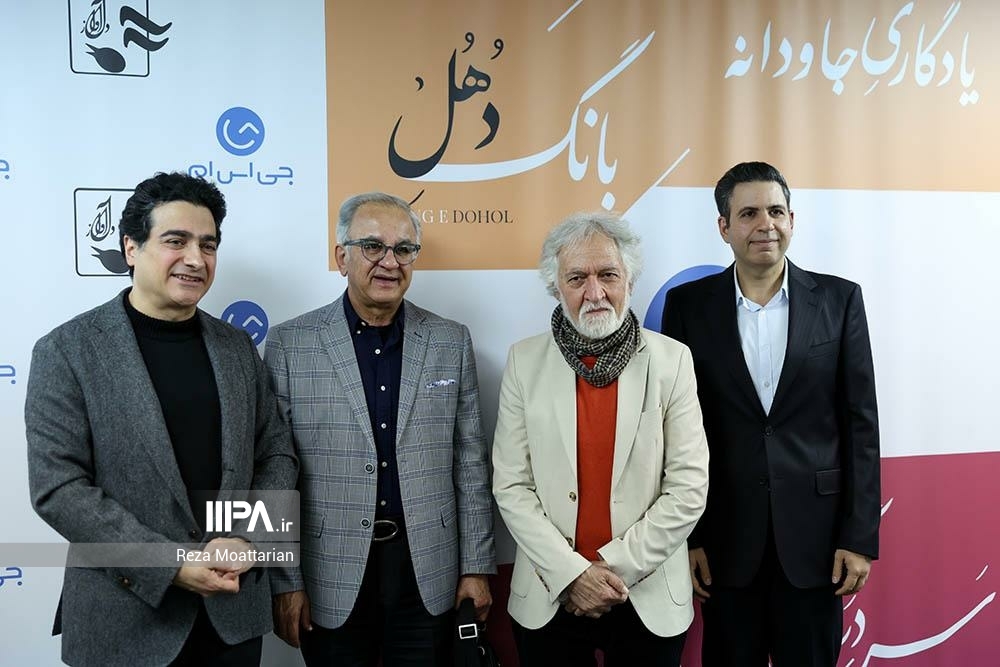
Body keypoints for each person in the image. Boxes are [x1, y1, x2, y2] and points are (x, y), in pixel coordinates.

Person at [25, 172, 299, 666]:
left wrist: (247, 539)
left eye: (208, 245)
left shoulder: (237, 349)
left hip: (231, 619)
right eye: (176, 241)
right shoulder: (67, 351)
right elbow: (58, 487)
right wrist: (169, 564)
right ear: (131, 248)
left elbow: (276, 452)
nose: (195, 259)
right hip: (123, 620)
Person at [660, 161, 881, 666]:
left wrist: (859, 537)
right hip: (724, 546)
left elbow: (861, 425)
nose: (766, 224)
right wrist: (688, 539)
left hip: (818, 547)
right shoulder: (688, 307)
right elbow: (674, 430)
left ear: (792, 220)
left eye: (777, 211)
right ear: (724, 227)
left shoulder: (840, 299)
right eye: (749, 213)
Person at [264, 192, 496, 666]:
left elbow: (469, 463)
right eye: (372, 246)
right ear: (341, 257)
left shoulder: (450, 341)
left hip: (427, 574)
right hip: (329, 577)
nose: (390, 262)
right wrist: (286, 581)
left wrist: (475, 567)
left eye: (404, 249)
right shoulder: (290, 344)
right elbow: (276, 472)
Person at [492, 211, 709, 666]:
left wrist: (610, 572)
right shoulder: (523, 362)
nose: (594, 293)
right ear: (556, 286)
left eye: (608, 275)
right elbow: (511, 485)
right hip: (550, 595)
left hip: (646, 596)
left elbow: (689, 487)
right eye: (577, 278)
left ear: (629, 279)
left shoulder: (672, 361)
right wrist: (573, 576)